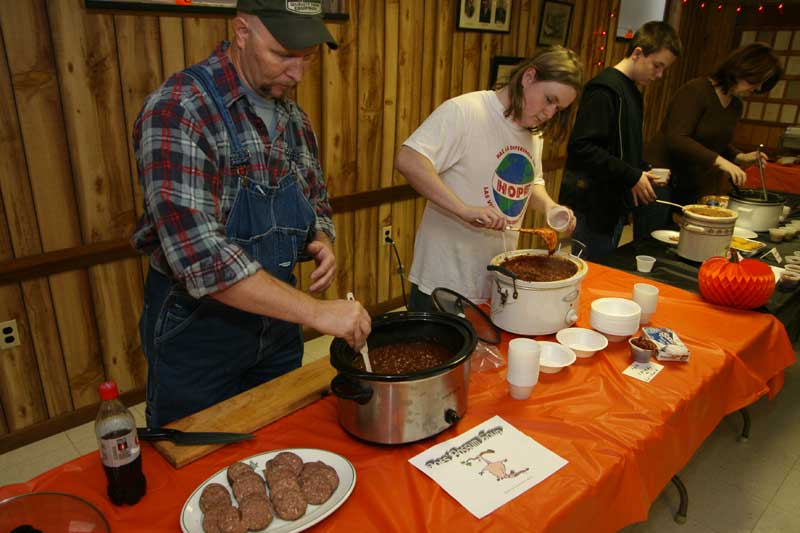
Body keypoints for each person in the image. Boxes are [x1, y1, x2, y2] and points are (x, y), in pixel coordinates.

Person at [131, 0, 370, 427]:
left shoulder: (295, 120)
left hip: (278, 331)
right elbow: (202, 259)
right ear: (242, 32)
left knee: (280, 449)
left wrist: (321, 238)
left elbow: (316, 199)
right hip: (199, 335)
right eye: (283, 55)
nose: (297, 73)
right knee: (196, 468)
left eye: (307, 57)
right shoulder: (179, 111)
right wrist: (317, 313)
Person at [395, 46, 583, 311]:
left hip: (496, 279)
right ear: (528, 77)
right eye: (549, 100)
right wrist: (463, 210)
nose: (550, 113)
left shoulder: (533, 132)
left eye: (559, 108)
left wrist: (550, 206)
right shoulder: (465, 112)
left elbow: (533, 182)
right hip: (445, 281)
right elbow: (409, 159)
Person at [559, 21, 682, 259]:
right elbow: (582, 147)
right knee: (593, 269)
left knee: (608, 263)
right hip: (592, 206)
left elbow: (620, 148)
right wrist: (631, 175)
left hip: (613, 204)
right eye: (657, 66)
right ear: (637, 53)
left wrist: (643, 170)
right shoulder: (605, 89)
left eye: (664, 69)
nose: (659, 75)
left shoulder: (632, 91)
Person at [643, 42, 782, 229]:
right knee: (652, 240)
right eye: (753, 82)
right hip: (661, 178)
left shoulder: (735, 105)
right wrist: (721, 161)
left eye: (761, 85)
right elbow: (676, 138)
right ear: (739, 70)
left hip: (691, 182)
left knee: (682, 239)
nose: (756, 89)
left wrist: (739, 157)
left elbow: (716, 142)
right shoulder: (697, 90)